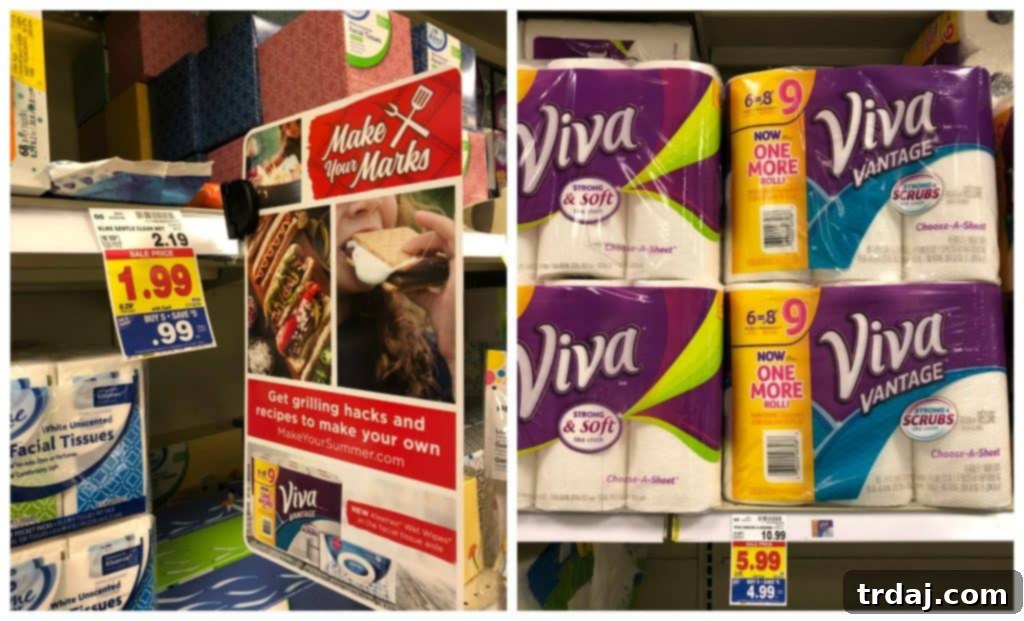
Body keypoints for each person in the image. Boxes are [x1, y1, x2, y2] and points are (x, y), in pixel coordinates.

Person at [334, 193, 455, 402]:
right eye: (337, 187)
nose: (370, 200)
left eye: (381, 182)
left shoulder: (424, 357)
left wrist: (454, 354)